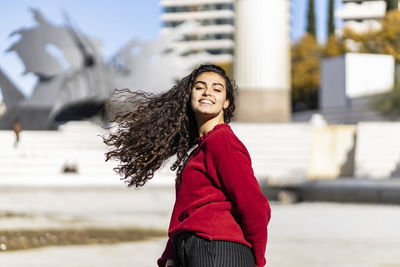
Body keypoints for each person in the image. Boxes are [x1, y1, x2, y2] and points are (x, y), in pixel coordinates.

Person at [103, 64, 271, 267]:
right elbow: (187, 209)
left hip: (218, 250)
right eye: (200, 87)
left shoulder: (222, 141)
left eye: (217, 89)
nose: (207, 92)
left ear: (226, 102)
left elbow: (255, 206)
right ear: (189, 95)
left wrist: (259, 260)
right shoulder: (202, 146)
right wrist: (171, 255)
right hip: (197, 251)